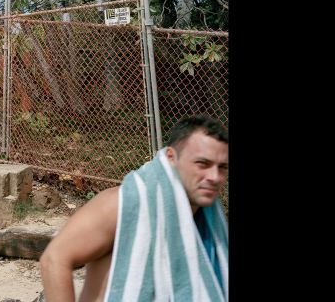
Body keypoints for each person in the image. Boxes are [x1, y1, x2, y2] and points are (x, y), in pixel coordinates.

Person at [40, 115, 229, 301]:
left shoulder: (211, 221)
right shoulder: (124, 203)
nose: (214, 176)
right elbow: (54, 259)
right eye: (202, 163)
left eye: (222, 167)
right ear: (171, 157)